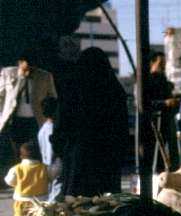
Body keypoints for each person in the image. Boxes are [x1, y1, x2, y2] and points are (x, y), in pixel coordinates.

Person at [52, 47, 128, 197]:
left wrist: (61, 149)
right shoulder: (115, 90)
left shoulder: (73, 89)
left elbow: (61, 123)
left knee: (77, 205)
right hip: (107, 157)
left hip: (78, 157)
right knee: (105, 206)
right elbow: (121, 128)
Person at [0, 51, 57, 161]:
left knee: (34, 152)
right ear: (20, 63)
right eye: (27, 66)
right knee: (16, 152)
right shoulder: (8, 73)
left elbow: (53, 98)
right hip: (14, 119)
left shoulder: (45, 76)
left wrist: (50, 117)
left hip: (36, 120)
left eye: (32, 67)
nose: (30, 70)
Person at [4, 141, 49, 216]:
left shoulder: (16, 169)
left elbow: (9, 181)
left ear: (21, 156)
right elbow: (52, 176)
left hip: (21, 203)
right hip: (41, 203)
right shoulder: (44, 168)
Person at [144, 52, 179, 172]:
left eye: (164, 63)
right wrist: (164, 103)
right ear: (152, 63)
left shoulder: (163, 79)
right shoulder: (148, 80)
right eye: (160, 63)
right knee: (157, 155)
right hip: (155, 124)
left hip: (166, 122)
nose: (163, 66)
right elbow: (145, 103)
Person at [37, 96, 62, 201]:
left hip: (46, 164)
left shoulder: (43, 128)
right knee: (55, 193)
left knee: (50, 191)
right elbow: (51, 149)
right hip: (54, 163)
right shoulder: (53, 129)